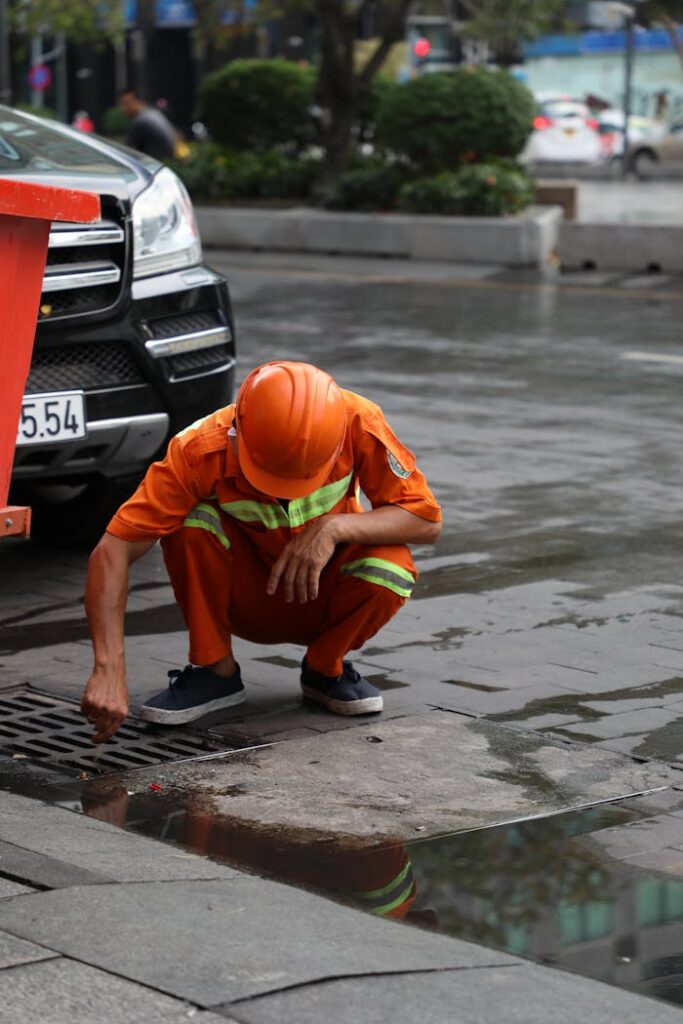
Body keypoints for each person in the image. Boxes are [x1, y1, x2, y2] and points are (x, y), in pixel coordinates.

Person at [80, 361, 442, 742]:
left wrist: (333, 528)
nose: (285, 491)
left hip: (324, 597)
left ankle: (325, 668)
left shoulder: (359, 422)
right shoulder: (197, 449)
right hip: (245, 599)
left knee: (391, 563)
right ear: (237, 432)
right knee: (190, 521)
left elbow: (426, 521)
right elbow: (113, 550)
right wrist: (109, 668)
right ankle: (213, 669)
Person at [119, 87, 178, 161]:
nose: (123, 109)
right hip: (168, 161)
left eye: (126, 104)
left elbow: (124, 150)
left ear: (139, 102)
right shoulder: (153, 113)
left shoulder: (141, 122)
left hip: (158, 163)